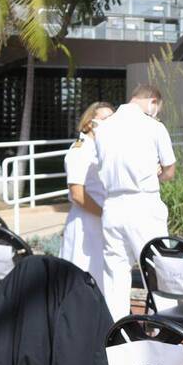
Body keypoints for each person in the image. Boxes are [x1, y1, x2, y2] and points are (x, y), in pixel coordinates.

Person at [92, 85, 178, 321]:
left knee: (115, 274)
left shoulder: (103, 128)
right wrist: (156, 173)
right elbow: (170, 170)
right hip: (143, 203)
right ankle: (164, 327)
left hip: (113, 205)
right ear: (153, 101)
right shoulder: (153, 126)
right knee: (157, 266)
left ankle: (115, 330)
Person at [60, 101, 114, 284]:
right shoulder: (80, 150)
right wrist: (104, 214)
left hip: (98, 221)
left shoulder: (100, 148)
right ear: (90, 122)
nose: (110, 123)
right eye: (105, 119)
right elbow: (77, 193)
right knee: (81, 278)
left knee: (99, 278)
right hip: (85, 222)